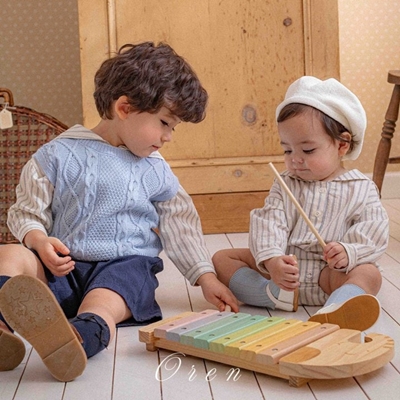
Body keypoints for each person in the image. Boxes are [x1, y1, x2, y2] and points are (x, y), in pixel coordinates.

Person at [0, 41, 238, 381]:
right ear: (124, 108)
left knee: (106, 300)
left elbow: (180, 225)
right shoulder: (56, 155)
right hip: (62, 268)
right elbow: (26, 211)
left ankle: (78, 336)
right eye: (164, 123)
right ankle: (3, 324)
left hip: (123, 268)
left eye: (173, 128)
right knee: (8, 254)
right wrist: (38, 241)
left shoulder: (155, 169)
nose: (168, 137)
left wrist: (206, 277)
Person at [213, 76, 389, 332]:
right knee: (222, 259)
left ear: (342, 145)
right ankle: (271, 294)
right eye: (287, 150)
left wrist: (348, 251)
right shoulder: (285, 183)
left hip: (329, 274)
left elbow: (374, 231)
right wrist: (272, 260)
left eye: (307, 151)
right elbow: (269, 222)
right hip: (285, 273)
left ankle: (338, 305)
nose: (295, 159)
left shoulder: (361, 187)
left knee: (369, 274)